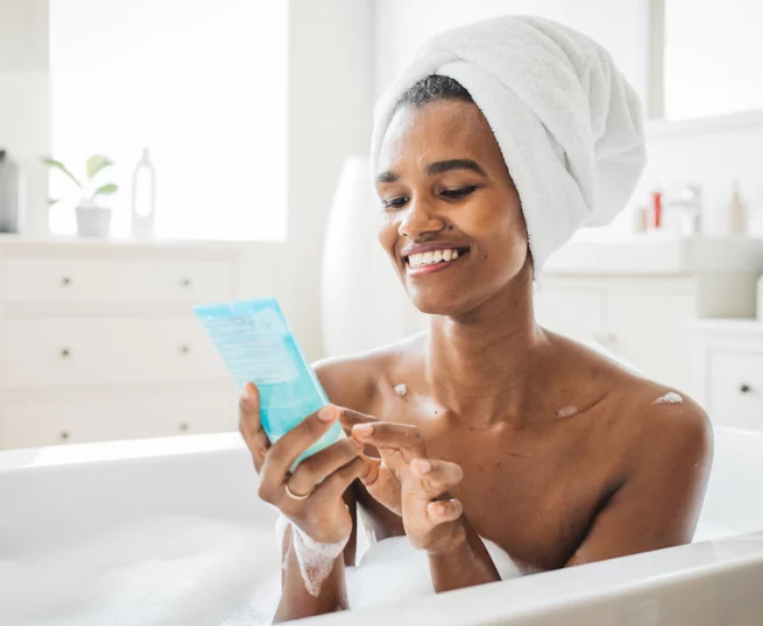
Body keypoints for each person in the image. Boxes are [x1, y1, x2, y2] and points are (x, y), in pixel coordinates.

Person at [238, 16, 712, 622]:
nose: (412, 224)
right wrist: (316, 541)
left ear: (538, 200)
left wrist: (450, 545)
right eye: (394, 199)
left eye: (455, 188)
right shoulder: (340, 399)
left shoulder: (653, 435)